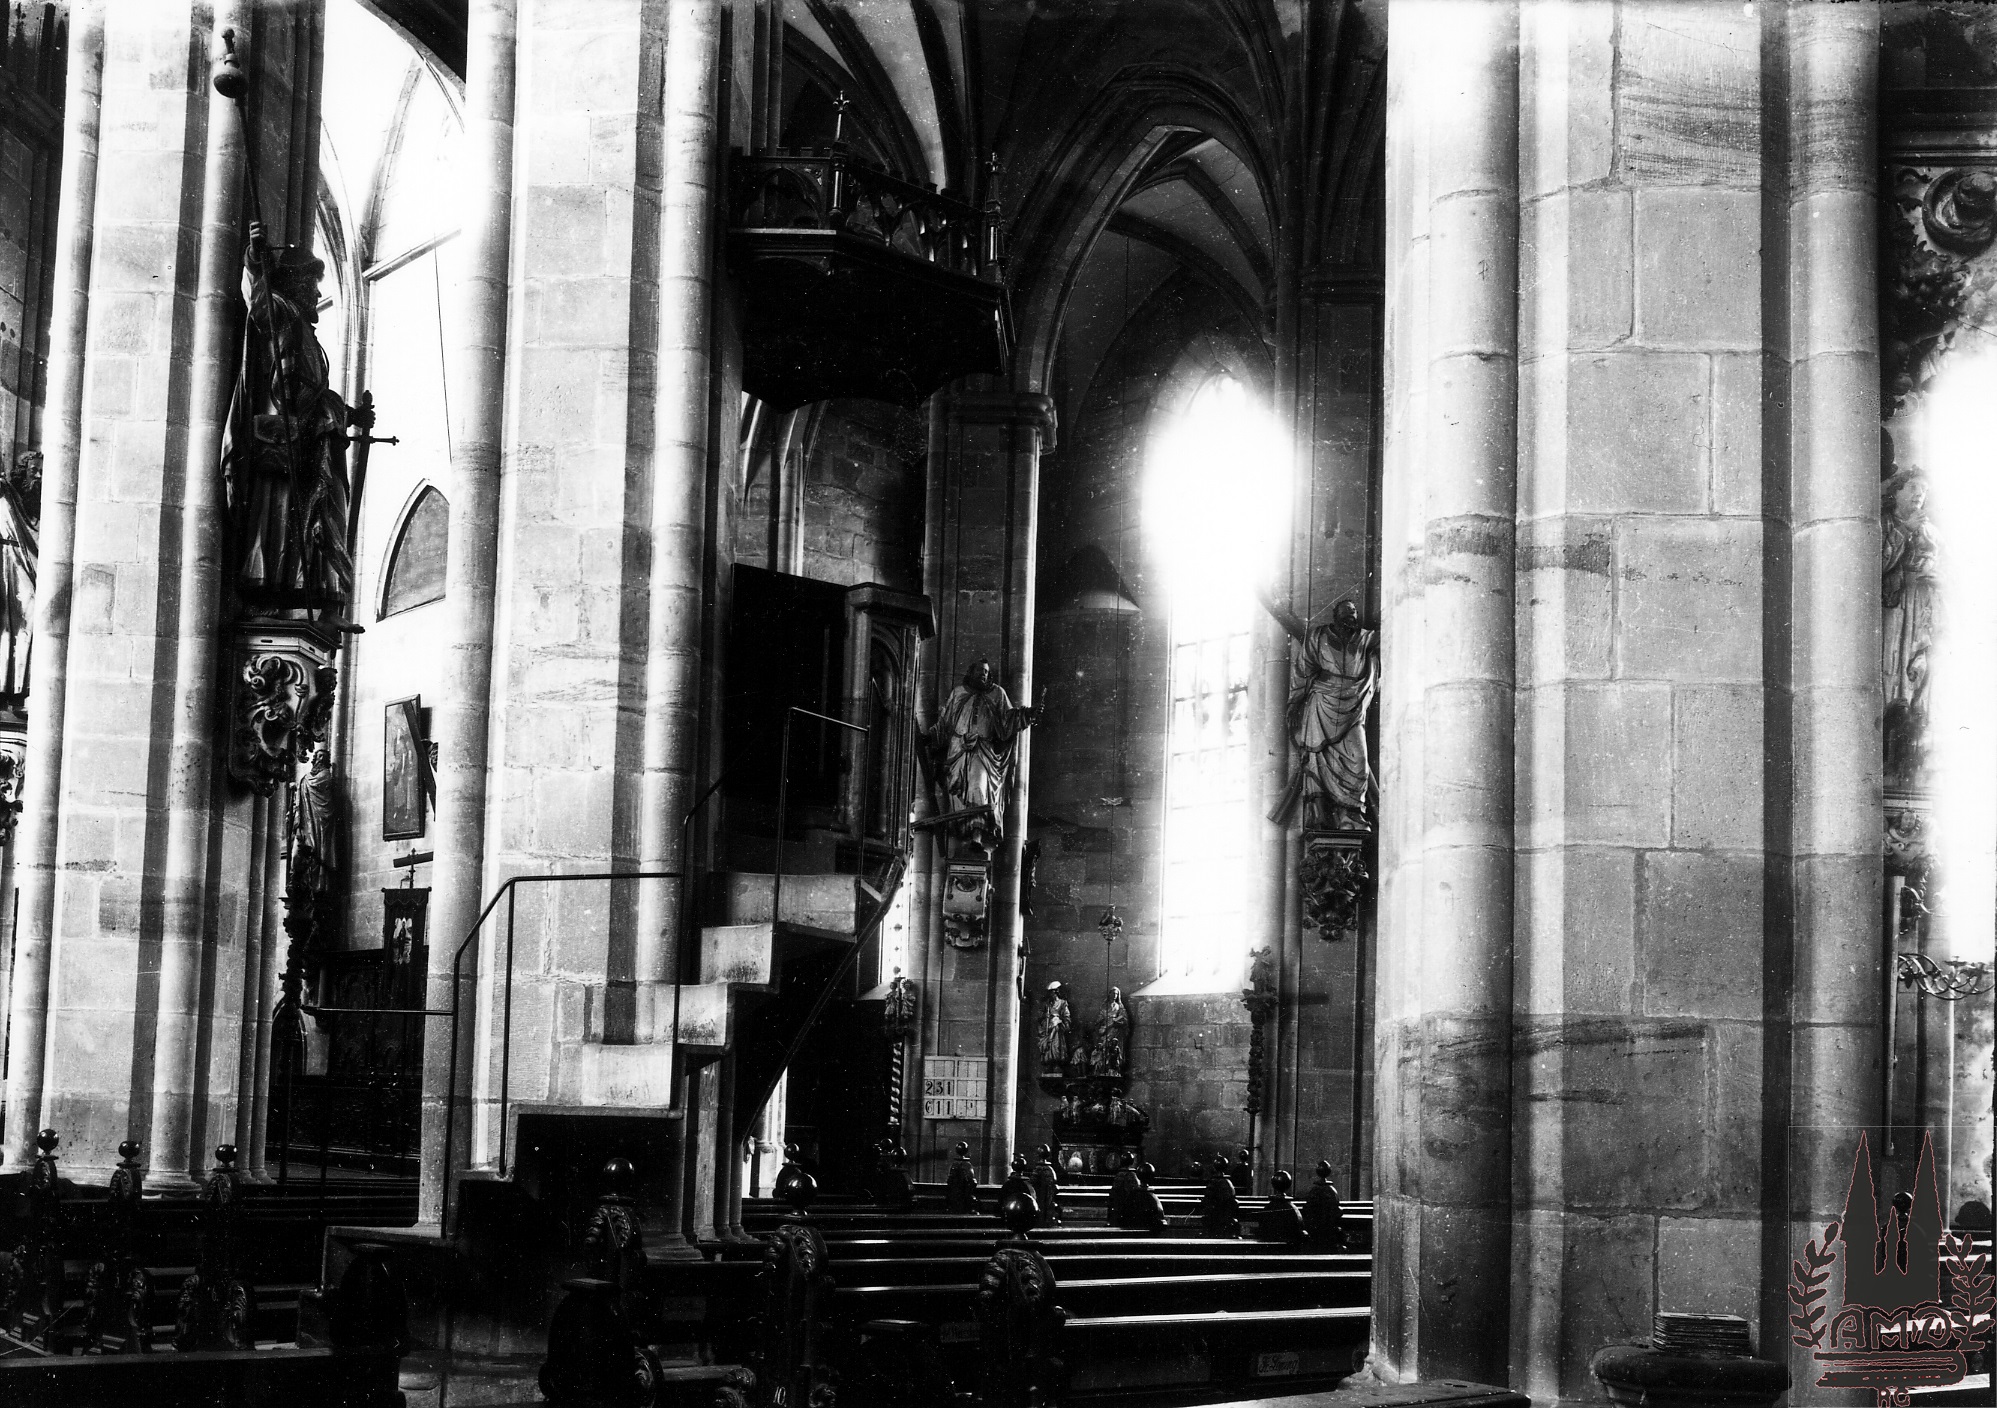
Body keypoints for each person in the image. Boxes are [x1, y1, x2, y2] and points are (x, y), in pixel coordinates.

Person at [224, 221, 355, 606]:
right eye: (312, 284)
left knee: (318, 513)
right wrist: (256, 258)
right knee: (282, 517)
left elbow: (312, 391)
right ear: (295, 285)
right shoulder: (282, 313)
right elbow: (258, 300)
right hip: (284, 440)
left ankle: (307, 594)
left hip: (308, 439)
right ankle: (275, 590)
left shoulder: (306, 333)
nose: (318, 293)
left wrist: (349, 414)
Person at [1259, 592, 1378, 832]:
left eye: (1354, 612)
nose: (1351, 616)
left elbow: (1389, 637)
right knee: (1317, 759)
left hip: (1353, 707)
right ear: (1335, 615)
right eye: (1346, 611)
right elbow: (1303, 670)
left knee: (1359, 761)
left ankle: (1352, 816)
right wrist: (1294, 703)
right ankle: (1321, 815)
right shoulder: (1319, 636)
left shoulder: (1364, 639)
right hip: (1321, 704)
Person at [926, 658, 1037, 850]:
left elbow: (1009, 718)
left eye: (986, 671)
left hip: (982, 751)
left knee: (978, 787)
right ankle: (965, 833)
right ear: (971, 672)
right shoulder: (958, 693)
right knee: (958, 794)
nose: (983, 674)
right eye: (979, 671)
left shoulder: (997, 694)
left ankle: (976, 837)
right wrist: (931, 736)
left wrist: (1028, 714)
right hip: (958, 751)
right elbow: (945, 722)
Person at [1037, 981, 1071, 1071]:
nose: (1050, 995)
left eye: (1052, 992)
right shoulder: (1047, 1004)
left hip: (1057, 1029)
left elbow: (1066, 1016)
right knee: (1047, 1046)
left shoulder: (1062, 1003)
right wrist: (1045, 1016)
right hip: (1047, 1027)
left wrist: (1059, 1021)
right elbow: (1039, 1015)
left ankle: (1056, 1064)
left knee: (1056, 1046)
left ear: (1056, 992)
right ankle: (1048, 1064)